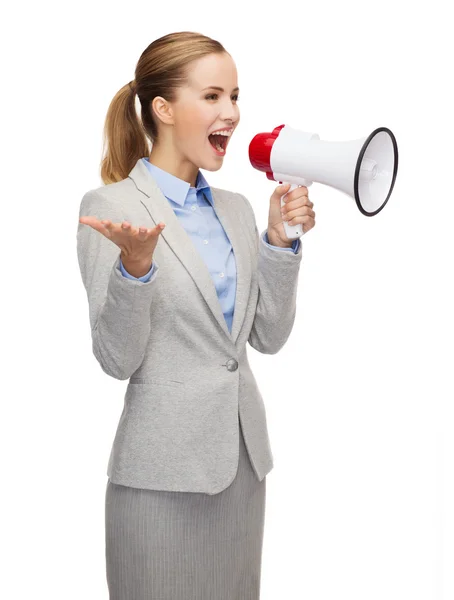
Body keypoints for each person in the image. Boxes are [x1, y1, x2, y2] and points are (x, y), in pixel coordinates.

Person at [76, 30, 315, 600]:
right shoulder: (110, 208)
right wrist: (134, 271)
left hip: (241, 469)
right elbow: (116, 359)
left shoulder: (234, 210)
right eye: (212, 97)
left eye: (235, 97)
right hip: (161, 479)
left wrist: (280, 245)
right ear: (162, 109)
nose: (231, 113)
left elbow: (268, 337)